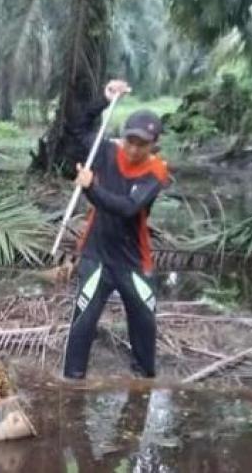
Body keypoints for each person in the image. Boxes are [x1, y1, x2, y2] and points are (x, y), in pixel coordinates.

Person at [63, 79, 171, 379]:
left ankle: (144, 377)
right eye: (130, 141)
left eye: (142, 144)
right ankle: (73, 379)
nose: (134, 149)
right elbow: (76, 129)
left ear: (153, 144)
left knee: (144, 320)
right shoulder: (106, 151)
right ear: (123, 137)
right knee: (84, 319)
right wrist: (104, 99)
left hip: (133, 260)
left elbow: (127, 208)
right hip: (96, 253)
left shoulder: (156, 172)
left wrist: (91, 188)